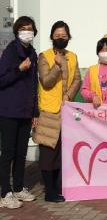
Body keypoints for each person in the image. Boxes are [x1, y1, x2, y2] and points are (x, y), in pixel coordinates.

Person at [34, 21, 81, 203]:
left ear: (69, 37)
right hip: (49, 110)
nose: (61, 38)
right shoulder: (44, 56)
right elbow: (46, 81)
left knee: (62, 150)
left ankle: (58, 187)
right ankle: (49, 191)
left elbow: (77, 79)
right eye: (57, 35)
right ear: (52, 37)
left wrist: (69, 95)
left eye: (64, 35)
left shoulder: (73, 56)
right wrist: (57, 65)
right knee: (48, 151)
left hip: (66, 110)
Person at [0, 16, 39, 209]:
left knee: (21, 152)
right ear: (16, 32)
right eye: (23, 28)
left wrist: (35, 112)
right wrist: (19, 69)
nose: (27, 32)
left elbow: (33, 84)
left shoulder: (32, 53)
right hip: (9, 109)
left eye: (30, 28)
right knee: (8, 151)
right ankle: (5, 192)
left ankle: (18, 187)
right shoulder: (10, 51)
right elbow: (2, 79)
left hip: (25, 110)